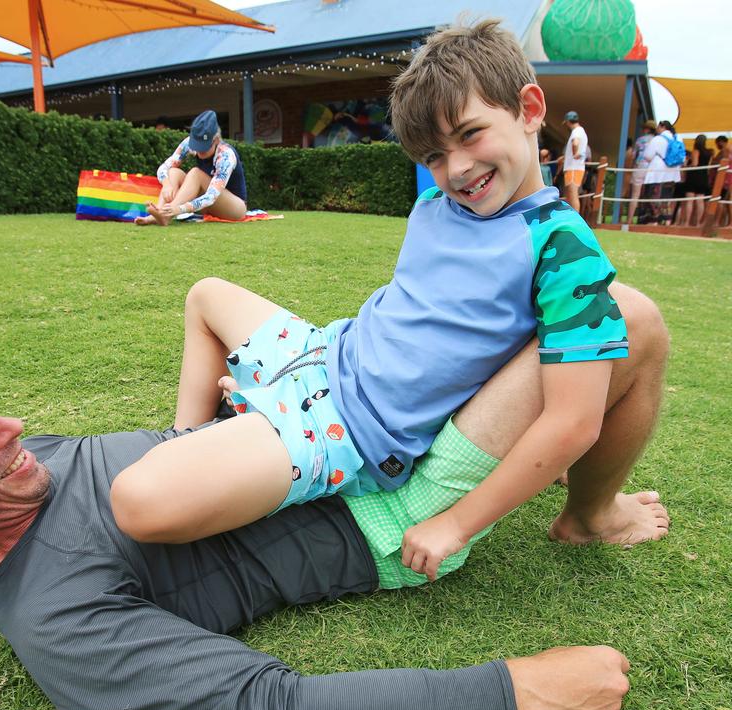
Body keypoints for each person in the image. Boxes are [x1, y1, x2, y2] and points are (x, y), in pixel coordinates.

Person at [0, 300, 668, 710]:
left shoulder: (27, 466)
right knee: (619, 320)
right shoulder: (59, 624)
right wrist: (523, 692)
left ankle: (584, 508)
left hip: (339, 427)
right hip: (389, 513)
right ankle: (588, 514)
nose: (11, 426)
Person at [111, 20, 666, 584]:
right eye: (432, 155)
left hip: (345, 428)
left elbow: (573, 420)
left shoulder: (563, 248)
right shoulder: (438, 206)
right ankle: (190, 437)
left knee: (138, 499)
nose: (457, 169)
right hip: (323, 351)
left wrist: (454, 524)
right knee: (206, 296)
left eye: (471, 134)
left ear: (528, 109)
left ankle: (229, 431)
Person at [134, 109, 247, 226]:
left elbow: (211, 196)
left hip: (234, 208)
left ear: (216, 140)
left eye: (204, 147)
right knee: (173, 172)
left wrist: (179, 209)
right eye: (197, 146)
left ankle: (166, 214)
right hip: (206, 204)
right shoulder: (189, 143)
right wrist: (167, 184)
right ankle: (160, 212)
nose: (199, 151)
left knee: (195, 173)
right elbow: (164, 167)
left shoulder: (225, 155)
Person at [640, 120, 682, 225]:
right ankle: (667, 221)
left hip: (657, 173)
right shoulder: (678, 138)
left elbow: (647, 155)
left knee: (654, 197)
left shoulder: (658, 139)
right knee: (667, 198)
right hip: (673, 173)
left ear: (662, 127)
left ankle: (654, 220)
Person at [627, 120, 657, 225]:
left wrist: (630, 167)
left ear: (647, 129)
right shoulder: (657, 140)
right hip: (653, 170)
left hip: (640, 167)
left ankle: (629, 220)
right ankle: (653, 220)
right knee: (651, 195)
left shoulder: (640, 140)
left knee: (635, 195)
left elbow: (634, 156)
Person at [679, 134, 713, 227]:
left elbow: (695, 164)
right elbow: (708, 167)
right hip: (703, 177)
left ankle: (687, 222)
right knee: (700, 200)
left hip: (694, 177)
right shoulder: (709, 153)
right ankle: (698, 222)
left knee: (690, 200)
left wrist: (686, 166)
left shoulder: (695, 151)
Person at [562, 110, 588, 213]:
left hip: (573, 167)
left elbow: (575, 142)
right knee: (571, 196)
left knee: (573, 195)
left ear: (568, 122)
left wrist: (574, 153)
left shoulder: (576, 131)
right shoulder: (581, 131)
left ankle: (576, 221)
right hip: (576, 167)